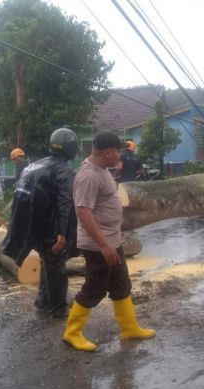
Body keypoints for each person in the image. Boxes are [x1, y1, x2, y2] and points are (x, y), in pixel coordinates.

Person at [63, 131, 155, 351]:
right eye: (118, 151)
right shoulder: (88, 175)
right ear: (107, 152)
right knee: (95, 288)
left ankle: (129, 328)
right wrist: (104, 245)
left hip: (112, 241)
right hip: (98, 245)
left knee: (121, 285)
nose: (120, 156)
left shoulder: (103, 170)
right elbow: (83, 212)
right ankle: (72, 333)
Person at [2, 128, 79, 318]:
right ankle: (57, 306)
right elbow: (64, 202)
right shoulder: (62, 168)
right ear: (69, 147)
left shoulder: (35, 165)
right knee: (56, 266)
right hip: (50, 228)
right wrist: (62, 232)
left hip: (33, 228)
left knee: (48, 263)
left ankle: (44, 300)